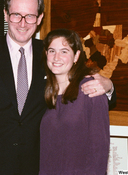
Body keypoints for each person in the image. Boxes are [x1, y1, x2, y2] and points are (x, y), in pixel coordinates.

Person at [0, 0, 115, 175]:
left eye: (30, 16)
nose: (23, 23)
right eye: (16, 15)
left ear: (39, 19)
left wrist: (109, 86)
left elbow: (87, 93)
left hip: (36, 167)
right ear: (6, 14)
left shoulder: (49, 55)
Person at [39, 28, 110, 175]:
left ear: (76, 56)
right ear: (46, 54)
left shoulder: (91, 89)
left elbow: (99, 152)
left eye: (64, 51)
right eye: (52, 51)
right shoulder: (44, 90)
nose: (56, 57)